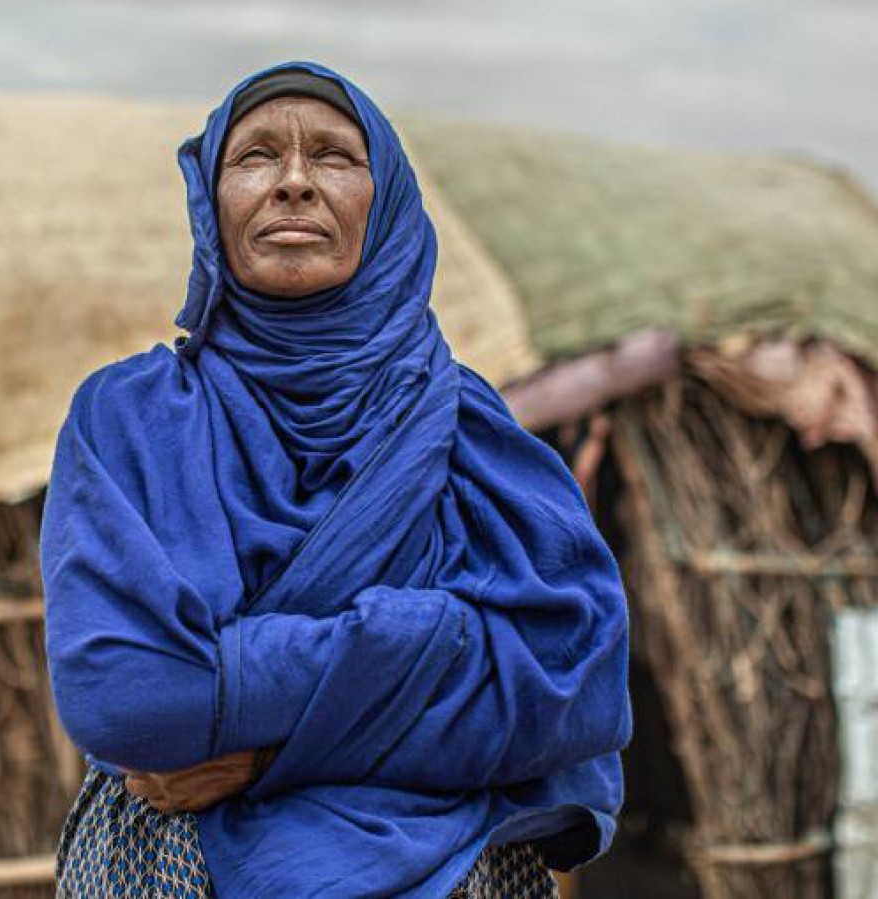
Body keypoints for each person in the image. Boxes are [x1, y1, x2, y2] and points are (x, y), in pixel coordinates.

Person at [40, 60, 631, 898]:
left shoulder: (467, 429)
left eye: (332, 157)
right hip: (168, 865)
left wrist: (262, 749)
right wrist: (435, 638)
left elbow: (569, 687)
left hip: (450, 866)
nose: (292, 183)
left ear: (383, 201)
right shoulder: (128, 421)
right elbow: (129, 696)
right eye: (253, 157)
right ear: (212, 203)